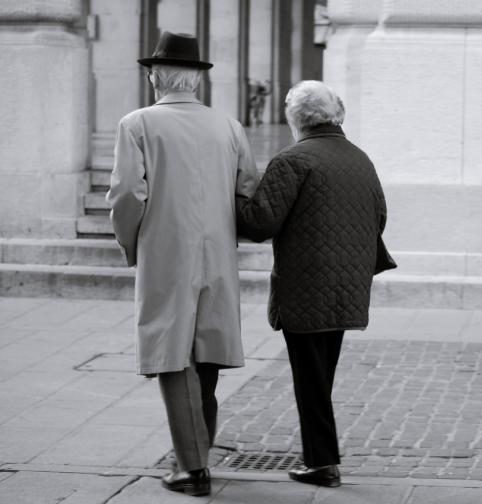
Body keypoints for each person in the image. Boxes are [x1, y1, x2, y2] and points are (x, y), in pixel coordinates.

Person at [106, 31, 258, 497]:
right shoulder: (229, 126)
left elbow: (128, 194)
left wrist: (132, 244)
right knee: (206, 354)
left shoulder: (137, 124)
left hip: (166, 251)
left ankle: (192, 469)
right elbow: (247, 188)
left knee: (173, 357)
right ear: (196, 79)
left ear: (155, 76)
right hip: (216, 251)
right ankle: (197, 454)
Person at [236, 80, 390, 487]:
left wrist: (237, 194)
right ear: (337, 115)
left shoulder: (293, 160)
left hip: (306, 286)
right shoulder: (360, 159)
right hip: (347, 285)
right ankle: (321, 459)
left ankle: (322, 463)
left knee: (311, 378)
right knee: (321, 374)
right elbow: (379, 217)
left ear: (295, 118)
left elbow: (258, 223)